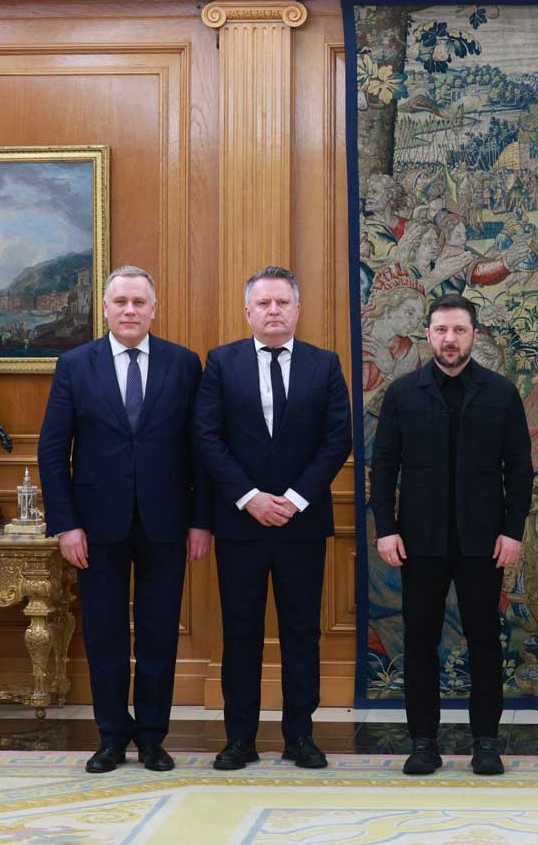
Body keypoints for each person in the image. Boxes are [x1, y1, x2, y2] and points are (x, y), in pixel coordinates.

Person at [38, 265, 212, 774]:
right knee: (105, 635)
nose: (130, 310)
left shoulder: (184, 364)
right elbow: (53, 450)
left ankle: (153, 737)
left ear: (154, 309)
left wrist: (201, 521)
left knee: (159, 634)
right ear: (106, 308)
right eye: (121, 302)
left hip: (168, 523)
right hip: (95, 528)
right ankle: (111, 737)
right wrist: (66, 524)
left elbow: (201, 449)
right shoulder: (75, 364)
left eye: (139, 302)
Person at [195, 266, 352, 770]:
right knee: (240, 633)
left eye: (282, 302)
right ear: (248, 311)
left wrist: (295, 499)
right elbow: (207, 438)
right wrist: (249, 498)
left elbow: (337, 440)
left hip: (301, 525)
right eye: (264, 303)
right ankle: (239, 738)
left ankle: (299, 737)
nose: (273, 311)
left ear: (297, 309)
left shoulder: (324, 365)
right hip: (240, 524)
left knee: (301, 633)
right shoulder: (221, 363)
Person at [369, 294, 533, 776]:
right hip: (419, 542)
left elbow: (519, 470)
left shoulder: (502, 393)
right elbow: (384, 468)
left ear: (473, 335)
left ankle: (486, 743)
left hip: (484, 542)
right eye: (441, 330)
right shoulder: (402, 394)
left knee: (485, 642)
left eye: (459, 330)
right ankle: (423, 743)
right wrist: (386, 530)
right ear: (428, 334)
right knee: (420, 642)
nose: (450, 339)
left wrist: (513, 532)